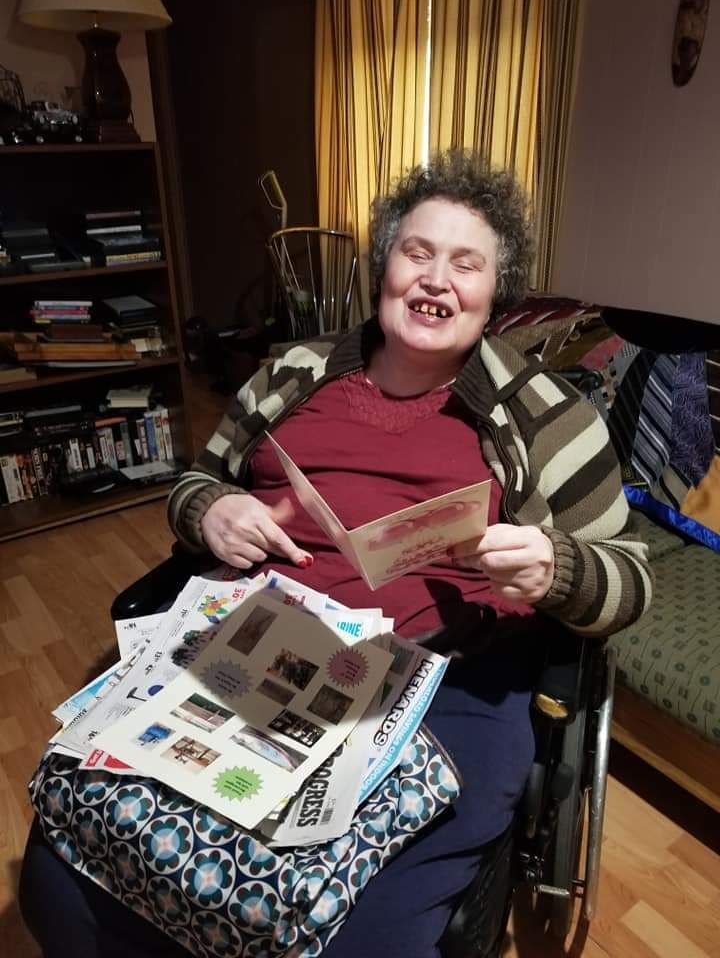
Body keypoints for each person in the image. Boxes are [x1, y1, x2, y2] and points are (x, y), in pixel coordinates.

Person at [20, 151, 652, 958]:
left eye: (467, 264)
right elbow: (193, 481)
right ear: (384, 264)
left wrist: (555, 569)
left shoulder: (547, 416)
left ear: (497, 293)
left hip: (443, 680)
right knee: (66, 866)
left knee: (363, 938)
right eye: (417, 252)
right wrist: (212, 511)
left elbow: (630, 580)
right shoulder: (293, 374)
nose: (436, 281)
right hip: (262, 644)